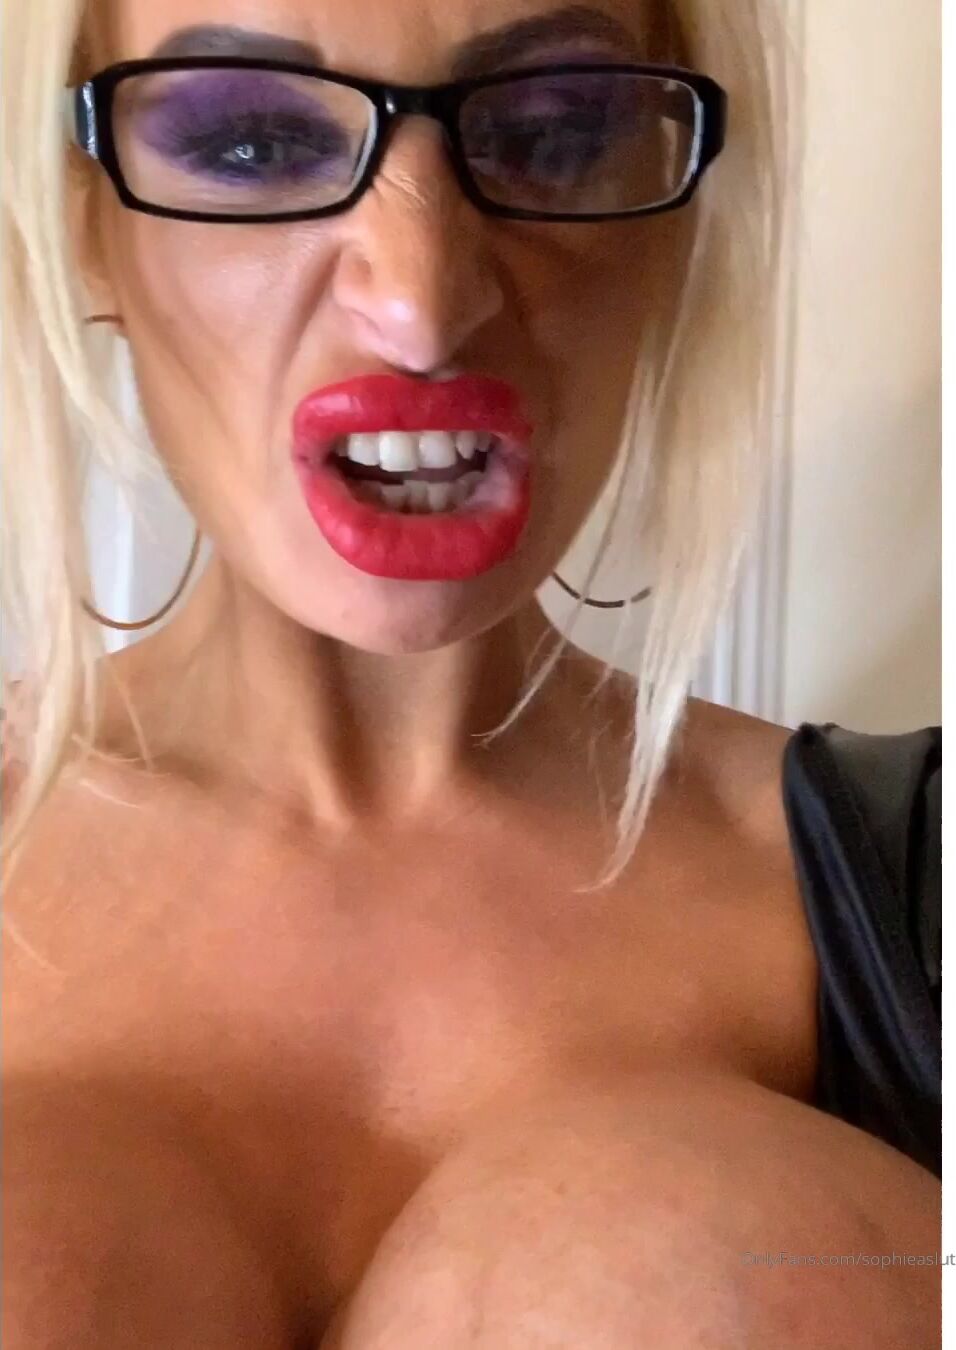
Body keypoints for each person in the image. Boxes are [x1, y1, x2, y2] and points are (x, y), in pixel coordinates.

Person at [1, 2, 941, 1347]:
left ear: (676, 218)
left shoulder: (910, 884)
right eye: (251, 144)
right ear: (82, 215)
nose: (422, 301)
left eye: (557, 134)